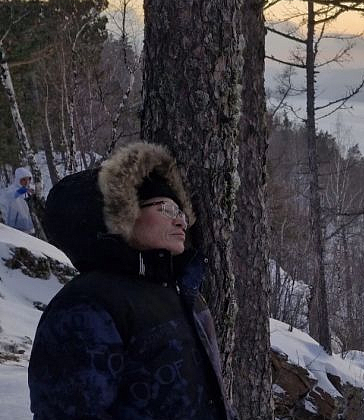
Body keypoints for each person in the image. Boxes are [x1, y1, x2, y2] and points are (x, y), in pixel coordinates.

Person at [29, 143, 236, 420]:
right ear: (125, 215)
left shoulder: (183, 292)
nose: (181, 222)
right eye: (166, 208)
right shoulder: (87, 304)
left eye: (181, 212)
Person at [2, 166, 35, 234]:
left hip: (29, 227)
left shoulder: (28, 192)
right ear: (18, 179)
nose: (26, 182)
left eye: (28, 179)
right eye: (23, 180)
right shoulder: (12, 190)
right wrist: (24, 190)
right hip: (15, 227)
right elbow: (13, 195)